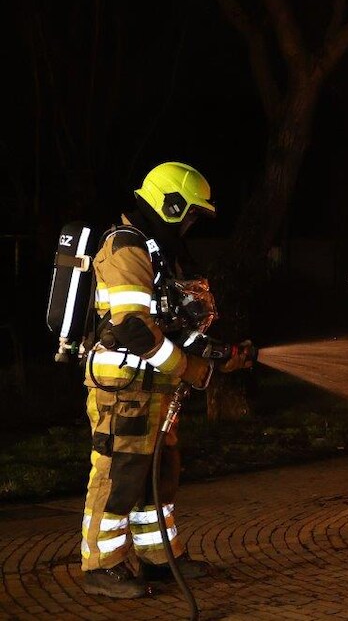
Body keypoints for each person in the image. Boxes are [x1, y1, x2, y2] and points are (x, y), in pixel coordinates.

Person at [80, 162, 253, 599]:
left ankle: (158, 559)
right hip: (123, 386)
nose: (192, 223)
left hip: (151, 385)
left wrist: (221, 355)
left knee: (158, 472)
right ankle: (102, 565)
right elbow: (134, 329)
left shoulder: (158, 250)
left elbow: (174, 324)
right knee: (120, 472)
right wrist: (191, 370)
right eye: (190, 213)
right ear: (170, 205)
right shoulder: (126, 248)